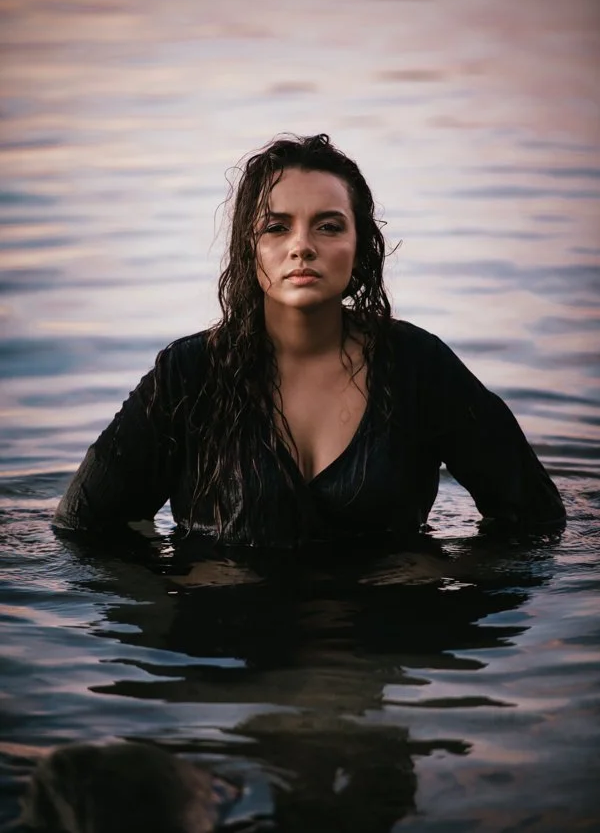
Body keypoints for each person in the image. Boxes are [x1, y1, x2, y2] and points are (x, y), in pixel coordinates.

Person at [53, 134, 565, 547]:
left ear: (359, 246)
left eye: (328, 226)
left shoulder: (417, 364)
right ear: (248, 248)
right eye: (276, 227)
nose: (302, 246)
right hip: (225, 654)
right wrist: (170, 597)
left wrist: (447, 589)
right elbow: (82, 527)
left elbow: (535, 519)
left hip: (375, 641)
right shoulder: (187, 373)